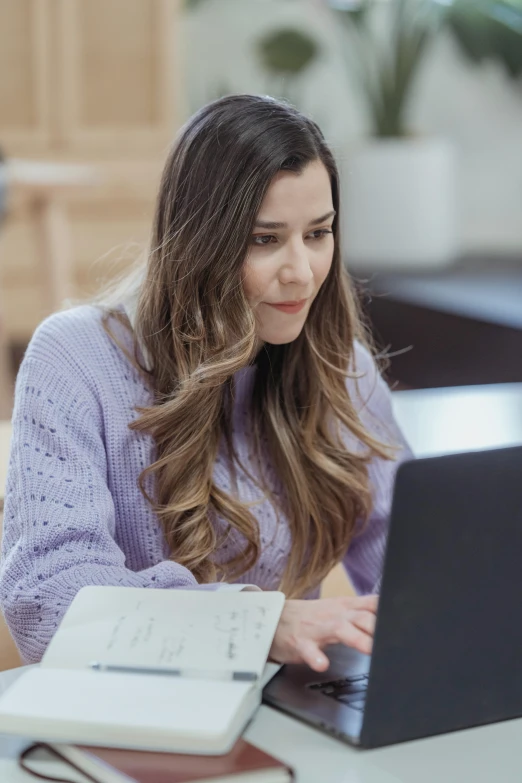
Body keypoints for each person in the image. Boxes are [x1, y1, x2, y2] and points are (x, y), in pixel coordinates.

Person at [0, 95, 411, 669]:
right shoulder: (75, 359)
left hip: (286, 715)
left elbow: (414, 568)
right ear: (201, 243)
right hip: (132, 725)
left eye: (318, 233)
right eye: (264, 240)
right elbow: (49, 607)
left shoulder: (342, 367)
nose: (301, 271)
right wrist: (257, 624)